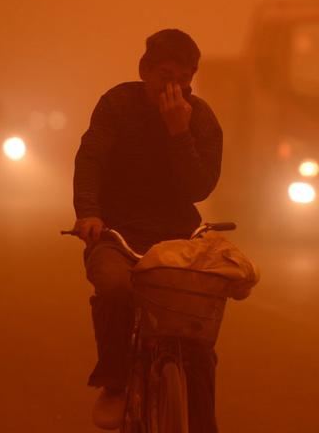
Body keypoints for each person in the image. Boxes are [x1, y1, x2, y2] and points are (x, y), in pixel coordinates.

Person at [73, 28, 223, 431]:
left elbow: (199, 187)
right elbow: (91, 160)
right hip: (117, 234)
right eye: (165, 74)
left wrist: (179, 134)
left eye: (184, 77)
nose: (173, 86)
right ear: (145, 71)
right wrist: (89, 213)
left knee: (197, 338)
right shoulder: (116, 106)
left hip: (178, 239)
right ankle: (115, 381)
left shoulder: (201, 118)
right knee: (115, 287)